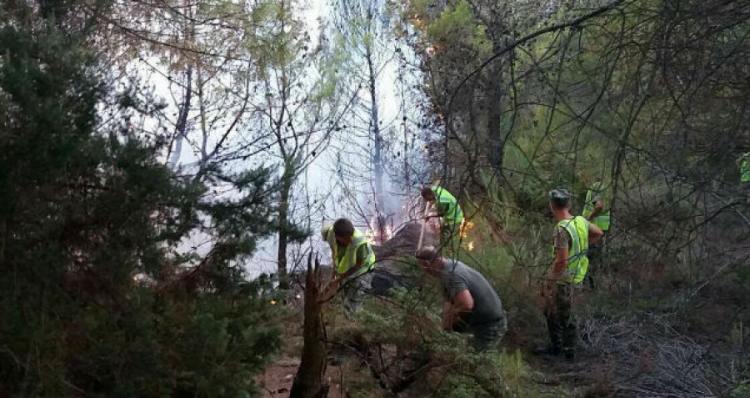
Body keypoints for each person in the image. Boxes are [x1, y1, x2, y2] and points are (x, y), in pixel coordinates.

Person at [538, 189, 603, 361]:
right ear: (569, 205)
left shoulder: (561, 230)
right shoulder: (581, 221)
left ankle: (566, 355)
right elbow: (598, 232)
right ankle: (557, 348)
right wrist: (583, 247)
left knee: (565, 317)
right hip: (577, 277)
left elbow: (561, 262)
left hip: (565, 281)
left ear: (552, 206)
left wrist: (549, 281)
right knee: (551, 311)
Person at [415, 246, 507, 352]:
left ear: (427, 265)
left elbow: (466, 304)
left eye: (423, 268)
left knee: (471, 361)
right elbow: (449, 302)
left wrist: (449, 320)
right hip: (481, 321)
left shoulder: (451, 273)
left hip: (489, 326)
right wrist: (443, 328)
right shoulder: (450, 265)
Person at [321, 218, 376, 315]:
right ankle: (350, 322)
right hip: (346, 271)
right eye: (346, 238)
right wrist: (333, 276)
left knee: (352, 304)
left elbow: (359, 264)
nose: (350, 240)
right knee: (346, 300)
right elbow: (334, 253)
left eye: (351, 237)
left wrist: (338, 279)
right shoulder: (330, 234)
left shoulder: (359, 242)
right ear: (337, 236)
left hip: (363, 270)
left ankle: (355, 325)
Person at [581, 182, 611, 289]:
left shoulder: (596, 186)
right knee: (594, 256)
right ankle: (591, 284)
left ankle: (588, 285)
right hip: (599, 227)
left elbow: (599, 206)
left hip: (594, 228)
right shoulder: (605, 186)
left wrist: (587, 219)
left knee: (589, 256)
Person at [421, 185, 464, 257]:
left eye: (427, 198)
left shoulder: (442, 201)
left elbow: (441, 214)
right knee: (443, 236)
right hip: (449, 217)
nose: (427, 201)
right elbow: (433, 185)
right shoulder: (435, 189)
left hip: (454, 218)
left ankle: (454, 254)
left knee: (453, 238)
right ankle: (447, 251)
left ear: (429, 194)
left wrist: (429, 216)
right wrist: (423, 188)